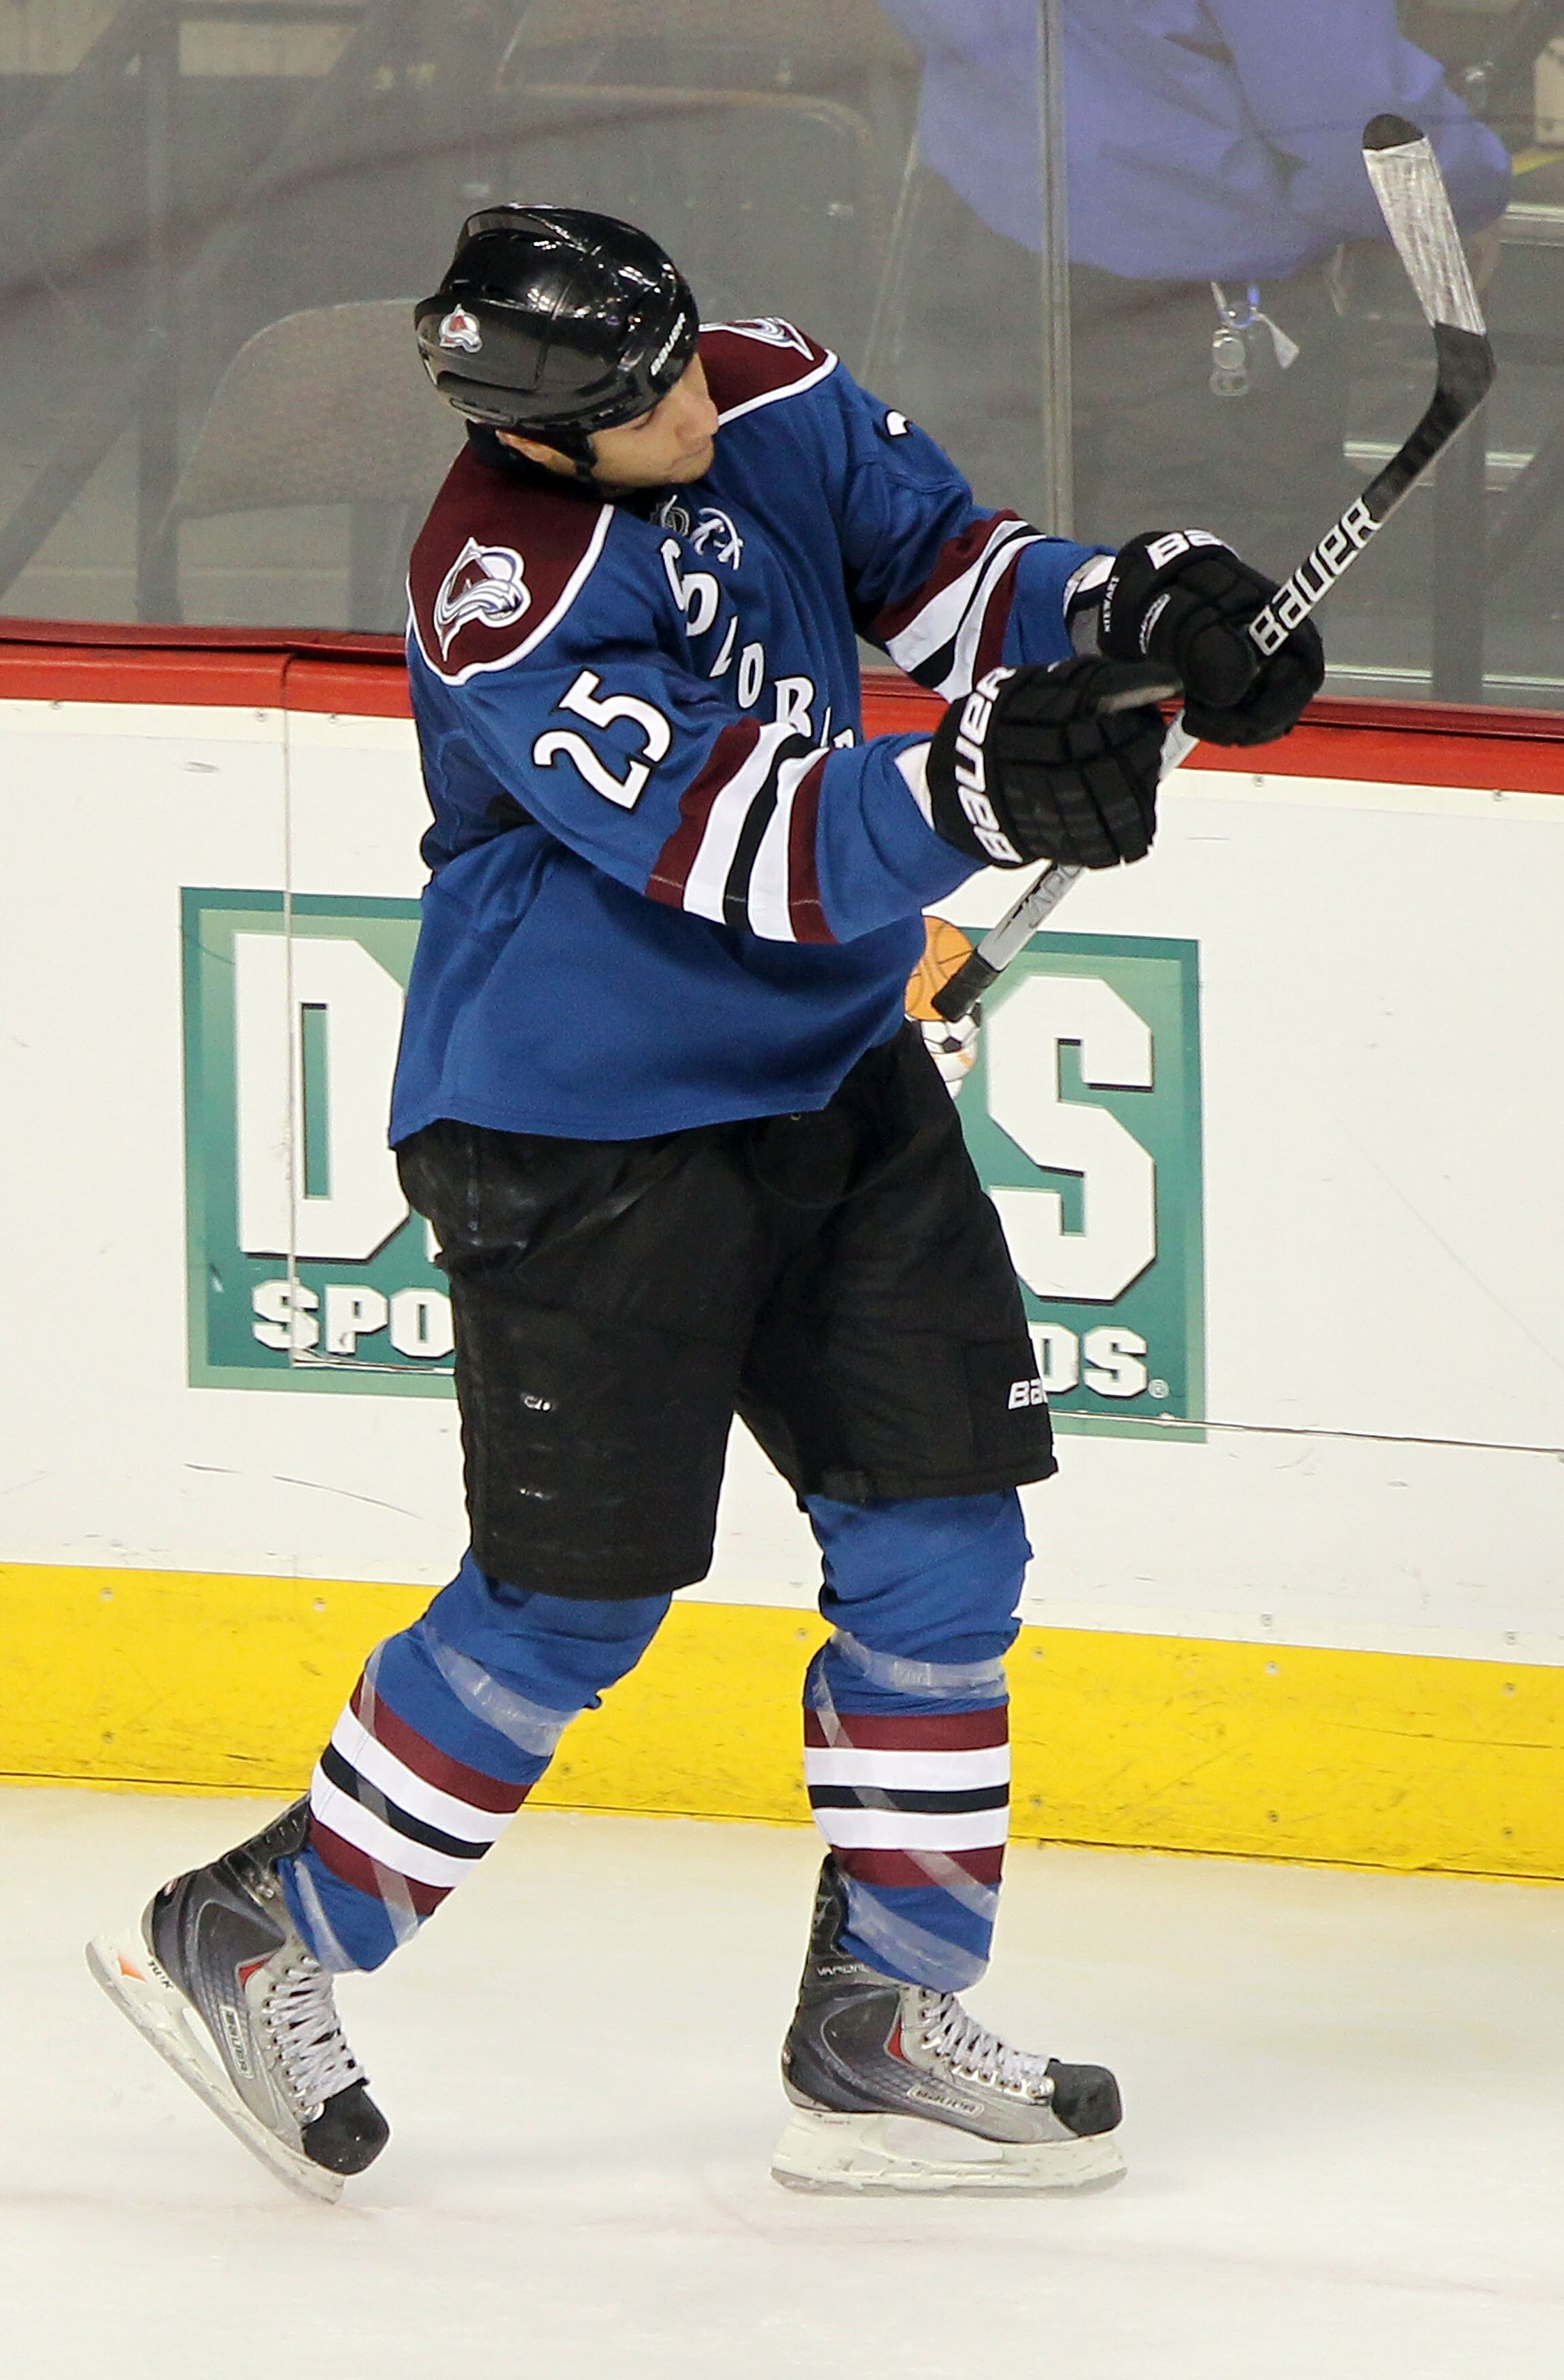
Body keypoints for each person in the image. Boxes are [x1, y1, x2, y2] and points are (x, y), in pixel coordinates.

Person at [90, 206, 1323, 2201]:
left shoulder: (758, 386)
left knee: (942, 1539)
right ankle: (264, 1925)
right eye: (637, 398)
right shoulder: (500, 591)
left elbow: (945, 572)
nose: (687, 403)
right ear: (539, 437)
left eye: (676, 358)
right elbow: (731, 837)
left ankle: (886, 2016)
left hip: (832, 1080)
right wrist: (972, 796)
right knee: (572, 1601)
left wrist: (1138, 606)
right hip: (578, 1127)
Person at [879, 0, 1512, 570]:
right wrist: (1454, 198)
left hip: (975, 246)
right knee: (1200, 645)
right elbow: (1355, 126)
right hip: (1186, 324)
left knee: (987, 606)